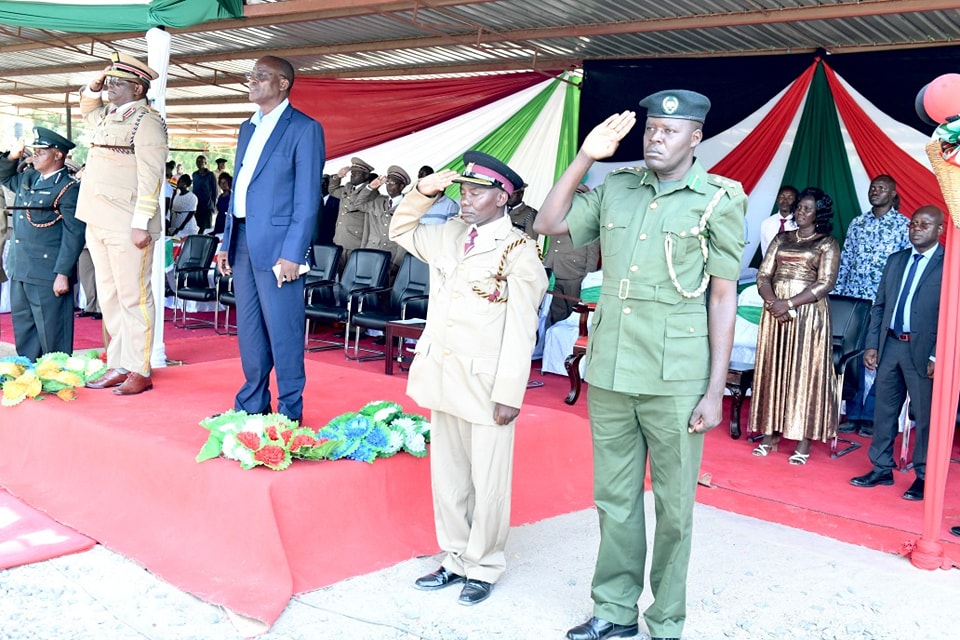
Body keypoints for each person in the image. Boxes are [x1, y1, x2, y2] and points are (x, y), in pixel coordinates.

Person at [533, 91, 747, 640]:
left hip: (677, 377)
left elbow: (722, 296)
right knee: (615, 500)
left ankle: (667, 620)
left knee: (674, 509)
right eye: (652, 128)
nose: (656, 137)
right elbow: (547, 222)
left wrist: (714, 389)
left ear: (695, 137)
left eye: (670, 130)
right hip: (610, 369)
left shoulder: (719, 199)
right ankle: (615, 610)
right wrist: (586, 157)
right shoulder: (618, 187)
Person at [390, 151, 547, 607]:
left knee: (489, 479)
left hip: (486, 383)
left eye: (476, 192)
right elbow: (399, 230)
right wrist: (422, 192)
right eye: (463, 189)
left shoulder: (519, 250)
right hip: (444, 373)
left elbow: (522, 327)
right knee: (450, 475)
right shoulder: (450, 235)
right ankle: (455, 557)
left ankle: (484, 563)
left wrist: (510, 392)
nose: (465, 198)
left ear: (503, 197)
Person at [217, 55, 323, 423]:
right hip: (243, 239)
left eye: (261, 76)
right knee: (248, 329)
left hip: (280, 247)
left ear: (283, 83)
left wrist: (294, 252)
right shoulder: (247, 128)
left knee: (284, 330)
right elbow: (239, 192)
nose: (253, 81)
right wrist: (225, 243)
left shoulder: (304, 129)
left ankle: (290, 411)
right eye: (251, 76)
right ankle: (252, 404)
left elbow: (307, 198)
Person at [78, 52, 167, 396]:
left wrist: (141, 222)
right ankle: (119, 362)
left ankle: (140, 368)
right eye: (109, 80)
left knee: (134, 297)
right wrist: (93, 85)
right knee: (111, 296)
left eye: (117, 82)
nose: (109, 86)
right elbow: (88, 109)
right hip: (97, 218)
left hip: (127, 221)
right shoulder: (108, 116)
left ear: (138, 87)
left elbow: (152, 176)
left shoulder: (145, 121)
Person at [849, 206, 944, 501]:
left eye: (925, 224)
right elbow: (879, 306)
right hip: (891, 345)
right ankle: (881, 468)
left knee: (925, 417)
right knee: (884, 411)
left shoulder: (950, 265)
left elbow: (953, 315)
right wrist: (873, 344)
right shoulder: (896, 261)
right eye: (914, 223)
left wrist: (936, 356)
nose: (917, 228)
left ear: (939, 230)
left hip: (924, 351)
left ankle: (924, 476)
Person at [749, 188, 840, 464]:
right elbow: (764, 274)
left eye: (807, 209)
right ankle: (769, 433)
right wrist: (773, 302)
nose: (800, 212)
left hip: (807, 315)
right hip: (775, 312)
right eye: (799, 207)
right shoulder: (781, 238)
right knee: (772, 367)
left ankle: (803, 439)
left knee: (804, 371)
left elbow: (826, 283)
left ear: (818, 214)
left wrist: (787, 304)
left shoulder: (827, 243)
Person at [834, 175, 910, 436]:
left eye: (882, 188)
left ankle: (871, 416)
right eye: (873, 187)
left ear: (893, 194)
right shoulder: (858, 222)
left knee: (879, 359)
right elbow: (845, 261)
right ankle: (853, 413)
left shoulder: (903, 226)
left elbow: (906, 268)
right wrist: (840, 296)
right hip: (855, 302)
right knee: (853, 358)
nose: (876, 191)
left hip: (885, 305)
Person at [0, 127, 84, 360]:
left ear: (58, 155)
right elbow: (3, 175)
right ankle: (29, 374)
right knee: (25, 328)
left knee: (52, 332)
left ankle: (55, 376)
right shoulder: (29, 177)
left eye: (41, 151)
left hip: (48, 271)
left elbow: (74, 234)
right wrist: (11, 157)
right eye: (34, 150)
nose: (34, 155)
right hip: (21, 266)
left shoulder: (68, 189)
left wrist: (63, 273)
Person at [355, 165, 410, 273]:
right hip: (371, 252)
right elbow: (358, 204)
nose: (388, 186)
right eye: (387, 183)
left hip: (390, 257)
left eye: (392, 183)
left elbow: (405, 237)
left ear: (401, 186)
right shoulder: (379, 201)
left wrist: (397, 263)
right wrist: (370, 187)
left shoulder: (407, 207)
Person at [330, 157, 373, 261]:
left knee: (349, 274)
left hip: (354, 241)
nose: (352, 175)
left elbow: (354, 205)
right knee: (336, 274)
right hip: (339, 238)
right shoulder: (348, 187)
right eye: (352, 172)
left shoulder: (371, 191)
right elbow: (332, 190)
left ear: (366, 176)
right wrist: (338, 177)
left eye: (357, 173)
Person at [758, 184, 798, 257]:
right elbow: (764, 251)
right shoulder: (766, 223)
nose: (785, 200)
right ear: (777, 199)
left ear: (796, 201)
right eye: (782, 196)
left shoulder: (799, 224)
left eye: (790, 197)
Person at [191, 155, 217, 234]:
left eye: (202, 162)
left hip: (207, 205)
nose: (200, 163)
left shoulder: (210, 175)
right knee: (197, 227)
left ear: (205, 163)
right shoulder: (194, 175)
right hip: (196, 205)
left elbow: (214, 191)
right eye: (198, 161)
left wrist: (213, 205)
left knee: (206, 228)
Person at [213, 172, 232, 236]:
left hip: (227, 221)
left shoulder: (232, 196)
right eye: (221, 182)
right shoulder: (220, 196)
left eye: (225, 182)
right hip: (219, 220)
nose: (223, 184)